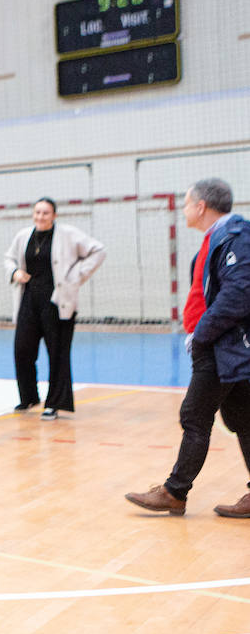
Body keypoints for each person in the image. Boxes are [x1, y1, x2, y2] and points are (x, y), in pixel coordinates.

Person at [126, 178, 250, 518]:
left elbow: (239, 295)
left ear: (200, 207)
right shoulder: (215, 241)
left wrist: (202, 334)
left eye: (185, 203)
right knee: (243, 418)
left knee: (194, 416)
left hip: (222, 346)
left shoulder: (236, 237)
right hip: (222, 346)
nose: (183, 210)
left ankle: (174, 491)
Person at [3, 198, 106, 419]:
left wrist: (76, 276)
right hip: (29, 300)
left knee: (58, 353)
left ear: (54, 216)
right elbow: (9, 259)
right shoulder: (23, 236)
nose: (40, 217)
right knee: (23, 350)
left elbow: (98, 250)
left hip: (58, 302)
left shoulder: (68, 234)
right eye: (37, 212)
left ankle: (54, 403)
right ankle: (28, 397)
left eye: (46, 213)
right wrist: (14, 273)